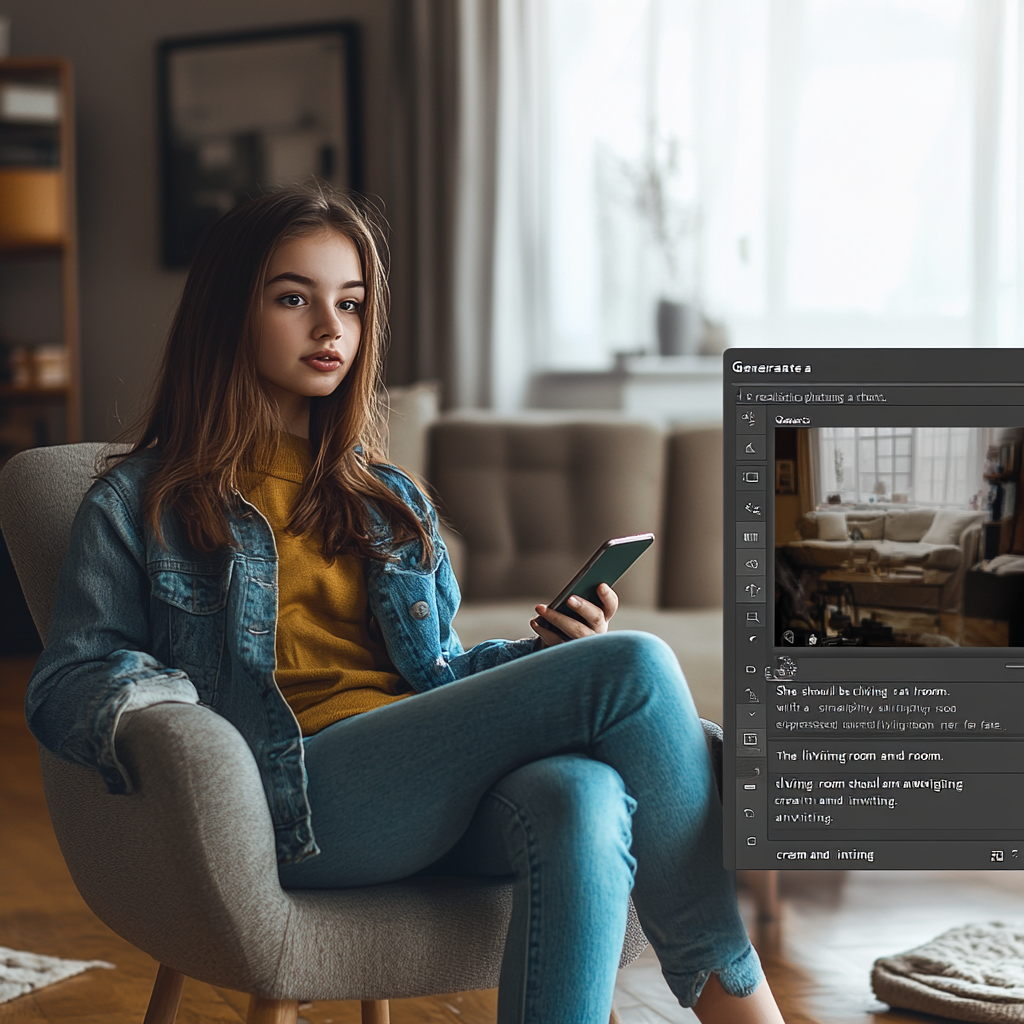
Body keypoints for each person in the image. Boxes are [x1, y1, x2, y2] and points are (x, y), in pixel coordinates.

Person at [25, 187, 785, 1024]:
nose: (331, 329)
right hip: (291, 797)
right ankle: (734, 997)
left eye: (349, 304)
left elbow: (440, 675)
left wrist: (546, 661)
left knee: (582, 795)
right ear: (226, 310)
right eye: (293, 298)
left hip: (417, 789)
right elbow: (71, 685)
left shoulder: (389, 501)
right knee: (637, 664)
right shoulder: (141, 503)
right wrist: (182, 713)